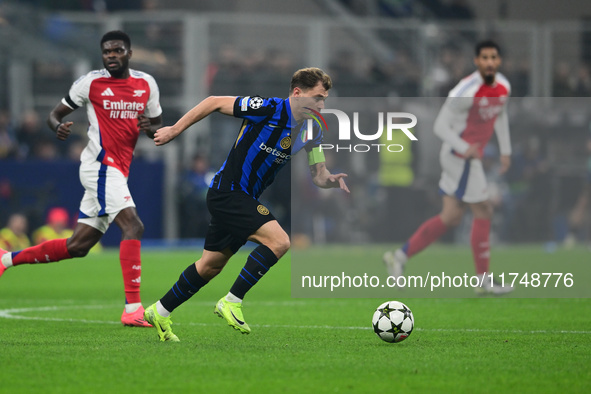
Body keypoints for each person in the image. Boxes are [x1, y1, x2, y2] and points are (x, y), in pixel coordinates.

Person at [143, 67, 349, 341]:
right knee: (280, 242)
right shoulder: (266, 108)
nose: (322, 105)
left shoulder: (313, 130)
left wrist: (330, 180)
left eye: (325, 99)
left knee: (209, 266)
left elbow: (318, 175)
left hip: (245, 199)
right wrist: (174, 130)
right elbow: (213, 101)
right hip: (227, 192)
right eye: (317, 97)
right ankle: (232, 300)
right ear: (297, 93)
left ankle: (160, 311)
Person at [0, 31, 163, 326]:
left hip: (118, 170)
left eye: (117, 51)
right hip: (99, 165)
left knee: (78, 246)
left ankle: (5, 260)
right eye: (106, 52)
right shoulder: (91, 82)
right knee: (133, 226)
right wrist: (57, 127)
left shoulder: (146, 84)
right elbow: (54, 114)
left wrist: (148, 128)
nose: (111, 56)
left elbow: (157, 129)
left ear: (129, 53)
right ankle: (133, 309)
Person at [383, 40, 513, 295]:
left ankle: (399, 256)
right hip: (459, 157)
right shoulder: (465, 90)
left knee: (451, 217)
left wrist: (506, 151)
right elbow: (440, 127)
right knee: (484, 209)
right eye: (483, 57)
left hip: (466, 157)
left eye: (493, 57)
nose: (489, 62)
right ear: (477, 61)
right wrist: (464, 147)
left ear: (499, 61)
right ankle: (483, 279)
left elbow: (501, 115)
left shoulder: (504, 87)